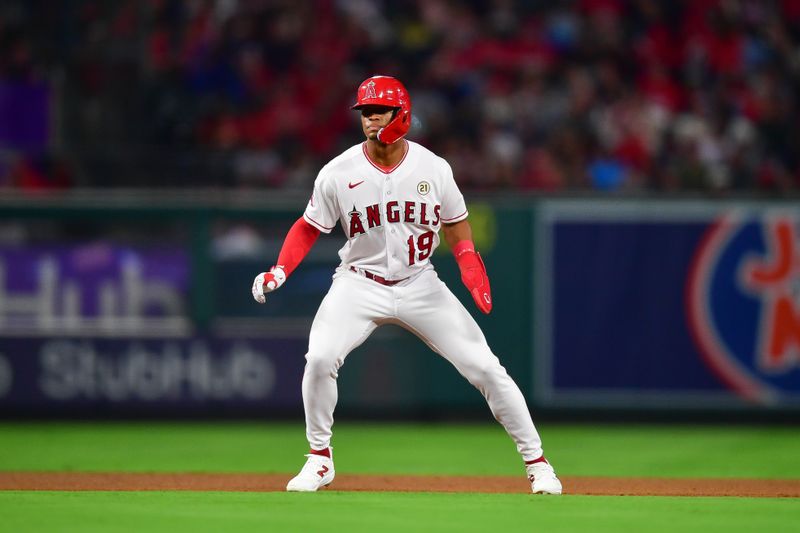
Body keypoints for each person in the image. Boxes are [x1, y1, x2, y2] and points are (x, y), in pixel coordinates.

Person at [251, 75, 562, 495]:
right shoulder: (338, 172)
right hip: (358, 283)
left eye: (378, 109)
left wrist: (468, 258)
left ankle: (538, 464)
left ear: (402, 114)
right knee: (321, 357)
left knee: (486, 367)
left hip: (421, 282)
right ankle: (319, 459)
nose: (370, 117)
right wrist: (280, 269)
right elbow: (309, 227)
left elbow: (456, 222)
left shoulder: (433, 167)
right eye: (364, 111)